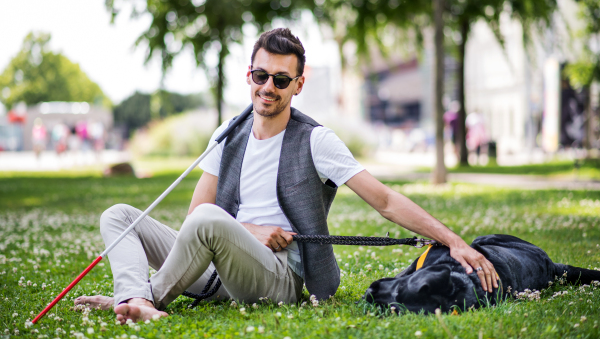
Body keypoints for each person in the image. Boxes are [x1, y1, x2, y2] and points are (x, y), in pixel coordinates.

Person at [75, 28, 498, 323]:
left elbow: (385, 201)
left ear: (297, 85)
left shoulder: (317, 140)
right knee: (117, 214)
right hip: (217, 263)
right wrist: (251, 229)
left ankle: (140, 300)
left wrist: (455, 242)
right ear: (249, 76)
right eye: (261, 76)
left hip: (279, 277)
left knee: (208, 222)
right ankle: (134, 297)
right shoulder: (227, 134)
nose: (268, 87)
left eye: (281, 79)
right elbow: (196, 218)